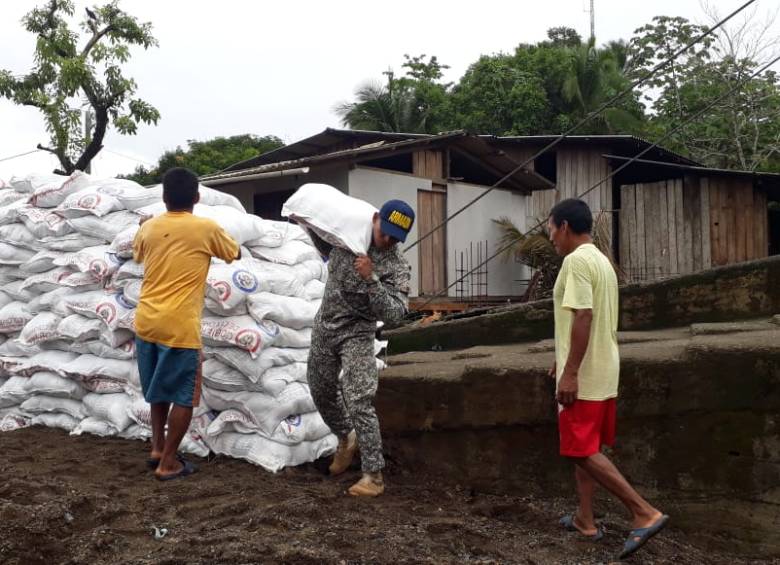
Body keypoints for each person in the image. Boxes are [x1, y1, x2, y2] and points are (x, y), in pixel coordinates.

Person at [547, 198, 668, 559]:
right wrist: (561, 359)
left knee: (579, 449)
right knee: (587, 449)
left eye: (551, 229)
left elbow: (583, 316)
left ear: (565, 226)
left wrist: (570, 372)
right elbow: (587, 319)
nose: (551, 237)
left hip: (584, 376)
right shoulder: (601, 260)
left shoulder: (577, 261)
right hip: (602, 368)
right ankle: (586, 519)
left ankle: (643, 512)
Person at [133, 167, 240, 481]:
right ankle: (169, 463)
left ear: (164, 197)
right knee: (183, 396)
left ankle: (157, 448)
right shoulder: (205, 228)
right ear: (197, 197)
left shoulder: (148, 228)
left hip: (146, 322)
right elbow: (233, 253)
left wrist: (147, 226)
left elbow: (138, 253)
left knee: (157, 389)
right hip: (179, 326)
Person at [307, 199, 414, 497]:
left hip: (358, 332)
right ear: (376, 218)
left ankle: (373, 475)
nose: (389, 240)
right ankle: (345, 437)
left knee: (359, 398)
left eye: (396, 237)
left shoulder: (396, 265)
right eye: (386, 232)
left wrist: (371, 278)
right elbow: (322, 240)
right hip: (325, 327)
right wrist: (304, 221)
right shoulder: (345, 239)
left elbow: (394, 314)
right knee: (320, 388)